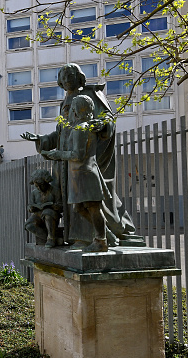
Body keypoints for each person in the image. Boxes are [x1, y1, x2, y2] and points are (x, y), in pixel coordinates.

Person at [21, 63, 139, 247]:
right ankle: (88, 236)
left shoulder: (90, 95)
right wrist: (41, 139)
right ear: (60, 81)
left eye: (71, 75)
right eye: (64, 76)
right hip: (67, 164)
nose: (67, 80)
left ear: (80, 78)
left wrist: (102, 126)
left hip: (83, 160)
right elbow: (61, 133)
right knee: (75, 204)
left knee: (93, 203)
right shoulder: (64, 103)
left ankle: (99, 236)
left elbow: (108, 118)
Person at [42, 95, 110, 252]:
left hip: (85, 174)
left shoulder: (81, 129)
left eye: (72, 108)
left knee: (93, 207)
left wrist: (57, 154)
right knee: (79, 209)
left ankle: (101, 240)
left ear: (77, 111)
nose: (70, 112)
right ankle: (104, 234)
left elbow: (77, 154)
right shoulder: (82, 127)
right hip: (79, 175)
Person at [25, 169, 62, 248]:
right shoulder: (34, 193)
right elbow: (30, 205)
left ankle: (51, 238)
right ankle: (50, 238)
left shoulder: (55, 191)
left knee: (47, 213)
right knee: (29, 225)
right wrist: (31, 208)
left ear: (46, 182)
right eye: (37, 186)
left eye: (41, 185)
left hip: (51, 215)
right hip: (38, 214)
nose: (39, 188)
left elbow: (60, 206)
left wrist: (53, 206)